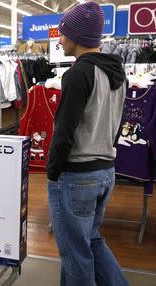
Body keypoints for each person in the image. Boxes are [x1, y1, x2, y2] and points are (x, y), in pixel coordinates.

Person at [47, 2, 129, 286]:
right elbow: (116, 126)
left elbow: (64, 132)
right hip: (106, 170)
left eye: (63, 33)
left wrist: (53, 171)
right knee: (92, 241)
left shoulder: (78, 74)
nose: (60, 39)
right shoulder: (117, 74)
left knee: (74, 253)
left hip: (77, 175)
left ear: (77, 36)